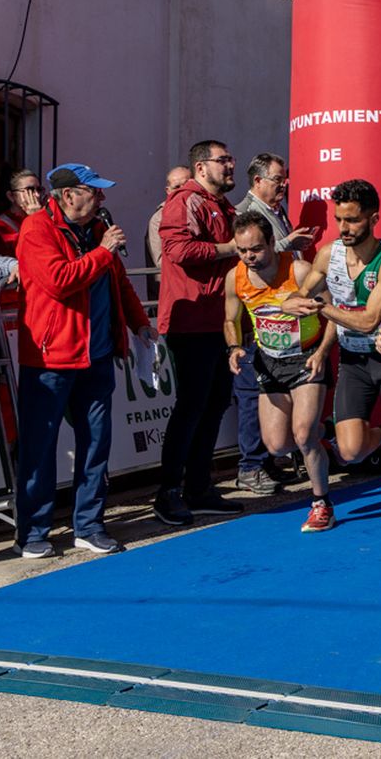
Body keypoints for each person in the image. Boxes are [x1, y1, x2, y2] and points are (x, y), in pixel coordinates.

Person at [282, 179, 381, 549]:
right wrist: (292, 303)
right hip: (353, 361)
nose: (344, 228)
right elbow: (296, 297)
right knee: (350, 452)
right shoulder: (328, 254)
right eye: (339, 219)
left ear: (373, 218)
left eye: (352, 220)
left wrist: (321, 307)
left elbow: (370, 320)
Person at [12, 164, 153, 558]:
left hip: (97, 353)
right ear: (69, 194)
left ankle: (88, 525)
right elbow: (59, 281)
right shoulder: (37, 229)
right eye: (95, 191)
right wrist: (103, 251)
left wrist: (140, 325)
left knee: (96, 444)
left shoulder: (94, 231)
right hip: (51, 356)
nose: (103, 198)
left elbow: (118, 280)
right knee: (40, 448)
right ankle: (34, 532)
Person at [224, 211, 334, 533]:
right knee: (277, 445)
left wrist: (323, 353)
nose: (249, 257)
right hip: (268, 363)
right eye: (242, 251)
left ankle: (321, 503)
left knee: (302, 435)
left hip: (305, 357)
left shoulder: (299, 271)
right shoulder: (236, 277)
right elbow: (230, 319)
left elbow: (334, 315)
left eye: (256, 249)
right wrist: (233, 347)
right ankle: (327, 431)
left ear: (272, 242)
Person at [153, 140, 243, 526]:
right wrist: (230, 248)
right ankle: (168, 492)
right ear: (201, 167)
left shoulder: (222, 206)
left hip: (219, 319)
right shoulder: (185, 201)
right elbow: (177, 251)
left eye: (230, 159)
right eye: (224, 160)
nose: (231, 165)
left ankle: (199, 487)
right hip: (190, 320)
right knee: (191, 407)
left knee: (215, 402)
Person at [231, 153, 315, 495]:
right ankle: (252, 466)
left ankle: (268, 461)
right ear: (258, 181)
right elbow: (248, 256)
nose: (285, 185)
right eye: (278, 179)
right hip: (259, 320)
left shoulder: (276, 211)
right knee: (252, 398)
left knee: (289, 421)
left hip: (290, 326)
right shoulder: (243, 214)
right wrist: (286, 244)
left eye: (285, 179)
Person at [146, 166, 192, 301]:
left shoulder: (204, 209)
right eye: (177, 187)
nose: (184, 190)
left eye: (187, 184)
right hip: (175, 292)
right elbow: (161, 261)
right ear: (168, 191)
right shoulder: (158, 219)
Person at [0, 169, 44, 257]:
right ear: (11, 196)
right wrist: (36, 219)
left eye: (39, 189)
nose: (37, 195)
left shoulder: (44, 217)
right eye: (29, 190)